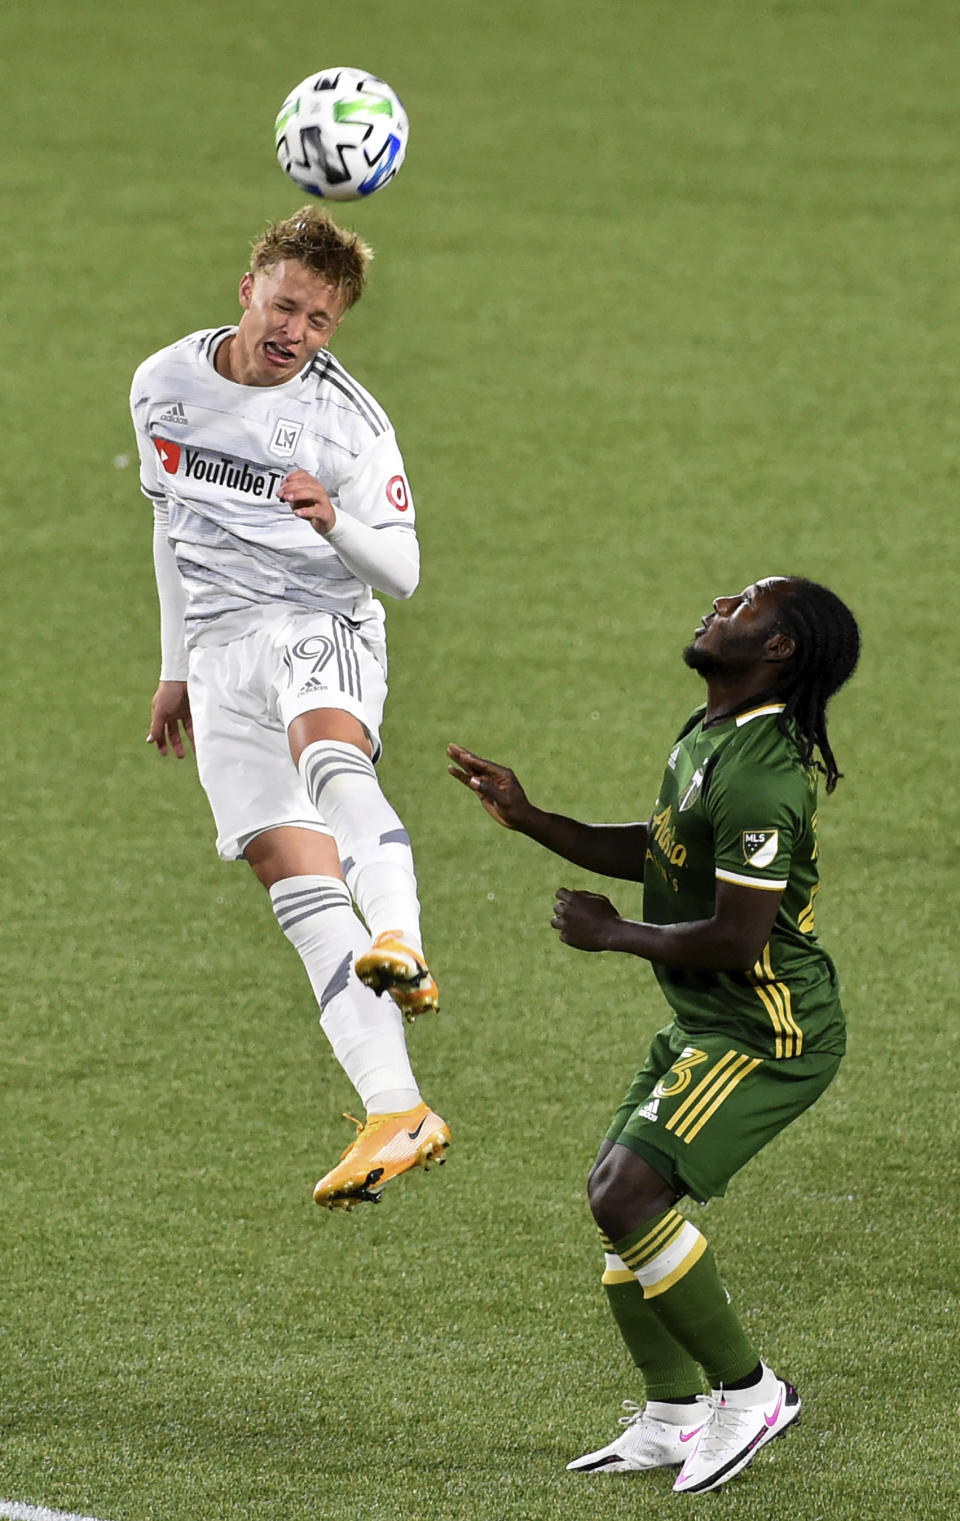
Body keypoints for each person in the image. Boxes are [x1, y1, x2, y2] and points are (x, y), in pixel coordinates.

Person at [448, 576, 860, 1495]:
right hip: (708, 1019)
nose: (722, 601)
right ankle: (673, 1412)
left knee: (628, 1194)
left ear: (779, 648)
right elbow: (663, 847)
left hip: (767, 1031)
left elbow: (737, 935)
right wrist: (532, 817)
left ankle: (750, 1394)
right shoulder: (709, 731)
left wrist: (614, 935)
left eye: (747, 601)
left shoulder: (763, 772)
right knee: (614, 1194)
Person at [130, 205, 449, 1211]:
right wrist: (176, 663)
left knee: (328, 754)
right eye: (285, 308)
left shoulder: (349, 422)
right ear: (246, 290)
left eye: (318, 321)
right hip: (222, 650)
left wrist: (333, 517)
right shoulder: (162, 386)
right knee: (293, 880)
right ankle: (398, 1112)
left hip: (321, 620)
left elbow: (401, 570)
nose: (296, 334)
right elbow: (166, 523)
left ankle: (402, 936)